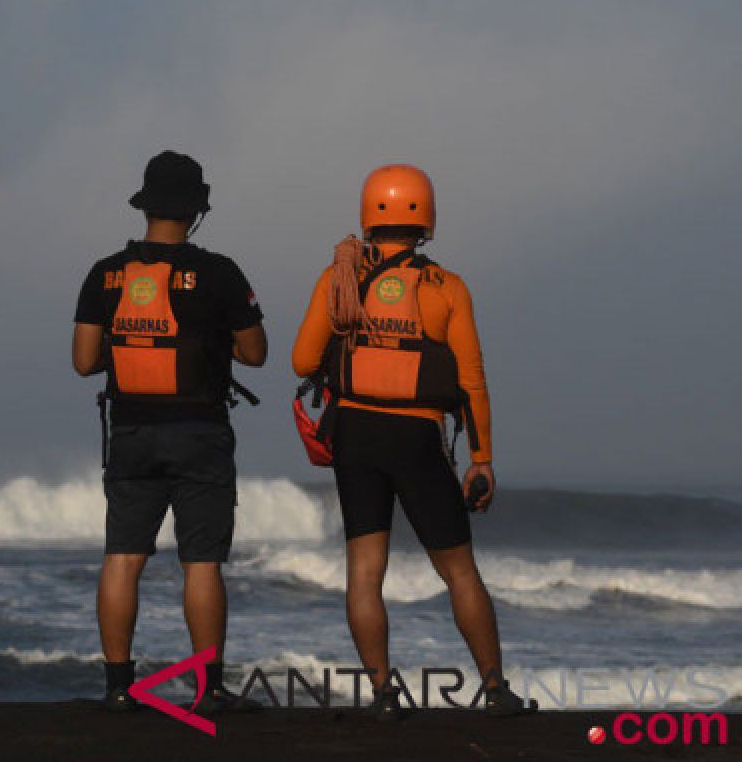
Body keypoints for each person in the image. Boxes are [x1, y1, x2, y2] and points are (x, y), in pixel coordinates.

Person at [292, 164, 536, 720]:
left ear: (367, 214)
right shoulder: (446, 288)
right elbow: (472, 380)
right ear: (426, 217)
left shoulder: (338, 280)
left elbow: (303, 362)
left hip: (355, 435)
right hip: (417, 436)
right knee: (458, 571)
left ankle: (383, 697)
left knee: (364, 572)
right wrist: (482, 459)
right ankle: (495, 691)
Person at [72, 151, 267, 713]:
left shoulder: (104, 273)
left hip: (131, 430)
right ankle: (207, 692)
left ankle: (117, 688)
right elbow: (255, 354)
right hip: (200, 432)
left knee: (123, 558)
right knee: (200, 563)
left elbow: (84, 361)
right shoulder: (219, 272)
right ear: (197, 210)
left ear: (145, 205)